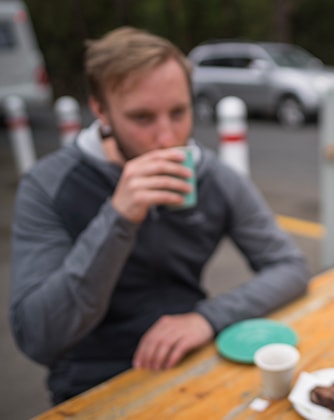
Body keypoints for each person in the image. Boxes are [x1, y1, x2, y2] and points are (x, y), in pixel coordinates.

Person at [9, 26, 311, 404]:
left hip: (191, 361)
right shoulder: (48, 184)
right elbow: (37, 336)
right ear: (101, 111)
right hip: (90, 381)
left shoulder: (214, 176)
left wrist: (207, 318)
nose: (167, 137)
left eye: (179, 112)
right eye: (142, 117)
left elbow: (289, 267)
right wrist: (118, 217)